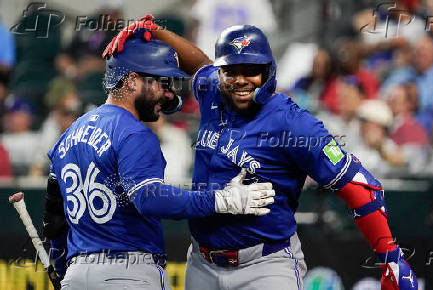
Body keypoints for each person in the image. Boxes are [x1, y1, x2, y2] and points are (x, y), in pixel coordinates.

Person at [106, 15, 419, 290]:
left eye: (251, 70)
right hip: (201, 262)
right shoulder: (215, 90)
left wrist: (390, 256)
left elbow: (360, 186)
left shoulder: (292, 121)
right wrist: (152, 30)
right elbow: (199, 64)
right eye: (232, 70)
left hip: (265, 266)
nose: (241, 80)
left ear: (267, 71)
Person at [43, 28, 275, 290]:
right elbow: (149, 197)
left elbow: (54, 217)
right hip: (128, 274)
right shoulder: (133, 131)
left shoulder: (69, 134)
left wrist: (62, 271)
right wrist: (221, 200)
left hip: (77, 276)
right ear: (132, 80)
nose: (169, 94)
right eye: (162, 83)